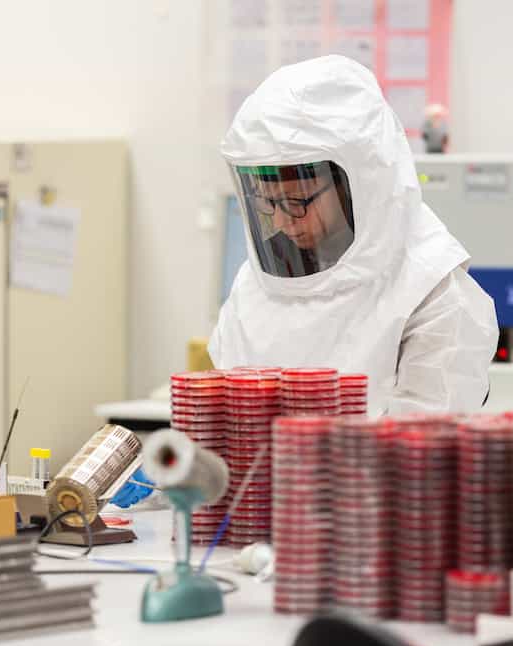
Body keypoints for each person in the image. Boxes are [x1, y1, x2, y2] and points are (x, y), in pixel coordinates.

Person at [209, 55, 498, 415]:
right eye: (266, 204)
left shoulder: (434, 298)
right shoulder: (254, 289)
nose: (283, 222)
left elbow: (422, 453)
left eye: (297, 201)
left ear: (359, 186)